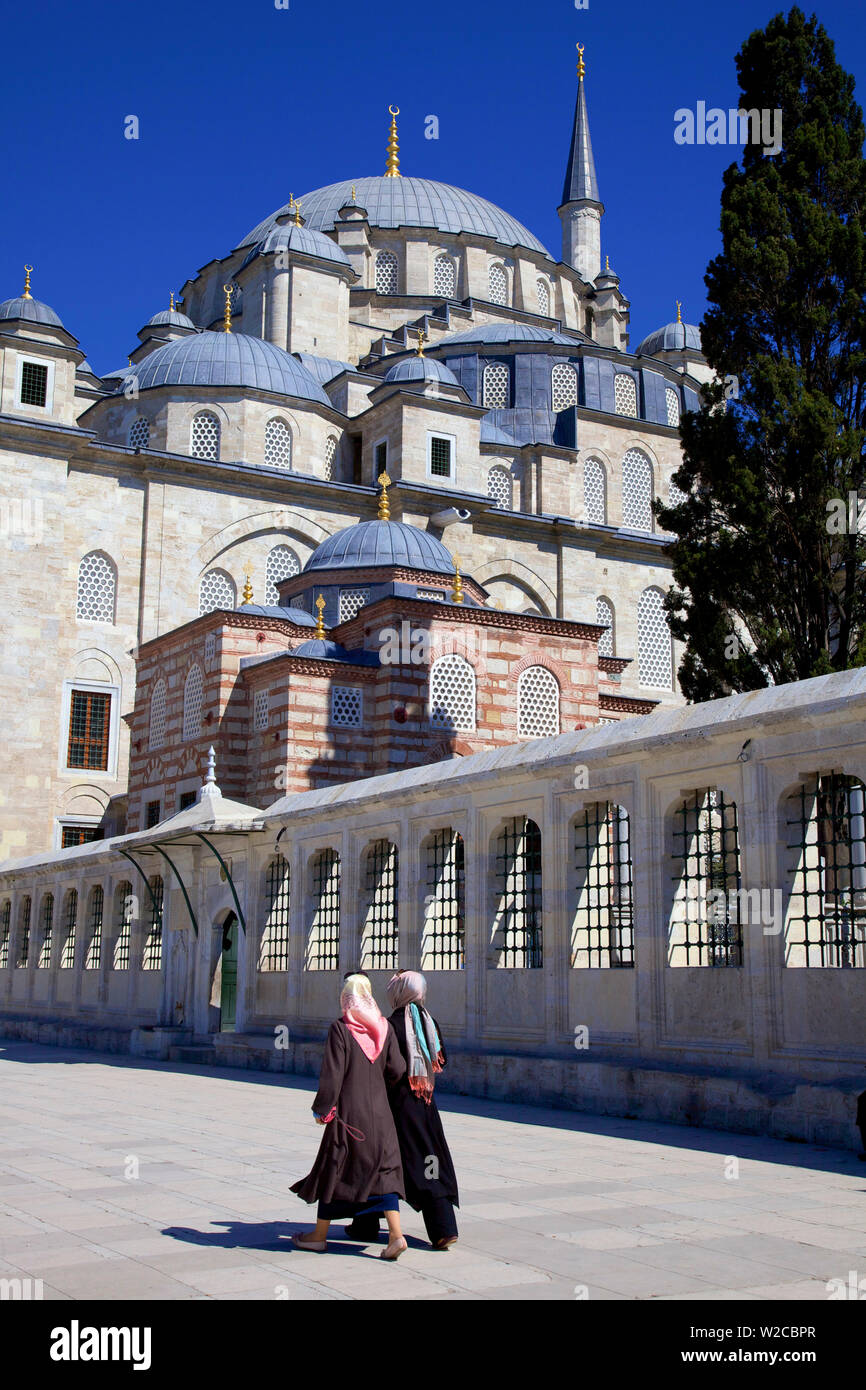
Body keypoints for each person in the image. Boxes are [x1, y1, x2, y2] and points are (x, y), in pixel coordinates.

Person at [290, 972, 408, 1259]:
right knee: (385, 1171)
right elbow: (398, 1068)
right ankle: (396, 1235)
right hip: (381, 1115)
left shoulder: (341, 1029)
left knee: (336, 1167)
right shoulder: (385, 1028)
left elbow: (332, 1075)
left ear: (346, 998)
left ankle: (318, 1236)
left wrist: (322, 1109)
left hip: (348, 1115)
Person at [347, 969, 459, 1250]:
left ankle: (366, 1224)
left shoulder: (389, 1025)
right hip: (425, 1104)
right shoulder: (429, 1021)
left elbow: (380, 1065)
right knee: (428, 1161)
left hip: (394, 1107)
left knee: (376, 1162)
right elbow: (441, 1061)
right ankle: (443, 1228)